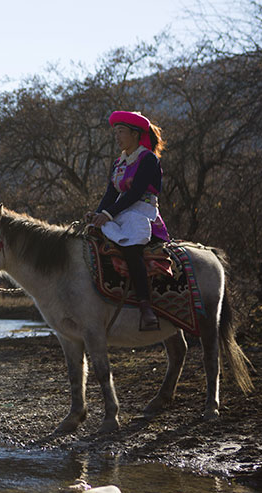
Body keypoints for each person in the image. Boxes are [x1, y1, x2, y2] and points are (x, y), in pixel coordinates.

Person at [84, 111, 170, 331]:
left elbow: (135, 193)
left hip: (141, 211)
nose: (117, 136)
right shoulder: (118, 163)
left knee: (131, 247)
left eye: (121, 131)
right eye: (116, 132)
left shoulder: (147, 158)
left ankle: (145, 305)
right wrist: (97, 213)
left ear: (135, 134)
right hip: (121, 210)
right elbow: (110, 195)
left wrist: (109, 214)